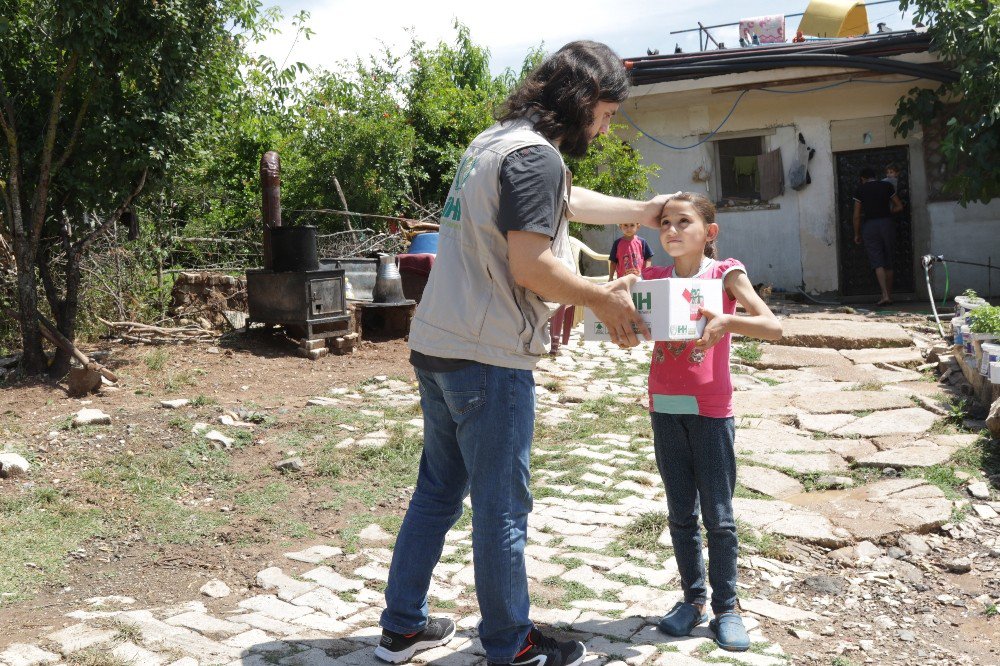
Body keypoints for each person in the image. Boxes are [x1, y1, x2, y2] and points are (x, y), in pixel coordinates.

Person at [375, 41, 667, 666]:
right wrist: (602, 297)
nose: (607, 127)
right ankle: (511, 643)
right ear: (583, 101)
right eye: (608, 114)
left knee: (436, 493)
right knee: (502, 508)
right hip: (488, 357)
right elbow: (530, 264)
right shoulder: (534, 160)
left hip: (438, 344)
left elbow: (566, 199)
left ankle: (402, 627)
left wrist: (642, 211)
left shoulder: (495, 142)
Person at [643, 193, 781, 652]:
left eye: (684, 222)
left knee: (718, 517)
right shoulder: (655, 278)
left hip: (709, 410)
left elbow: (771, 325)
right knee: (681, 512)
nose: (672, 231)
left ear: (710, 232)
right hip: (664, 405)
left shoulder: (725, 274)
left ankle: (728, 608)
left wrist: (726, 321)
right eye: (665, 222)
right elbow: (630, 322)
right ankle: (692, 601)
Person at [853, 167, 903, 306]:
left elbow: (856, 215)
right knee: (889, 260)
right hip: (887, 224)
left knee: (877, 261)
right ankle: (890, 295)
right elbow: (899, 206)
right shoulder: (887, 186)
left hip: (870, 226)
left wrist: (856, 233)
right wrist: (888, 212)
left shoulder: (860, 190)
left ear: (863, 178)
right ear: (875, 176)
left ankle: (884, 295)